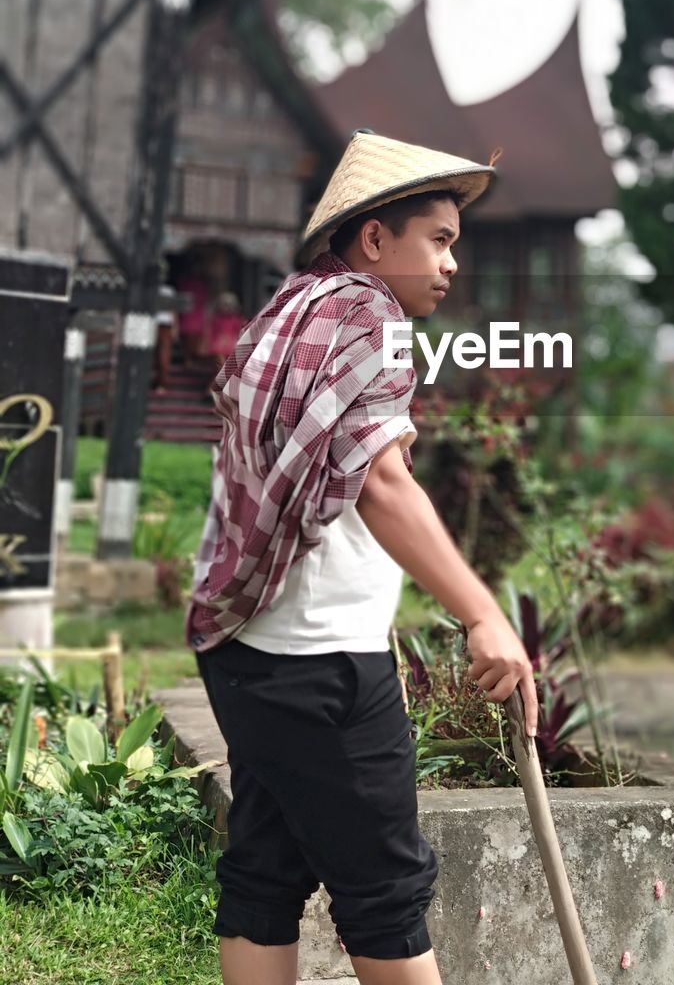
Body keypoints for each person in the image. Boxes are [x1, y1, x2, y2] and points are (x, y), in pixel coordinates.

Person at [186, 129, 537, 985]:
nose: (451, 264)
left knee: (265, 869)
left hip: (244, 648)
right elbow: (382, 483)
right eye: (439, 240)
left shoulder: (294, 306)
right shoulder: (368, 316)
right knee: (385, 891)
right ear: (376, 239)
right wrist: (483, 614)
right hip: (321, 660)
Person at [204, 291, 247, 375]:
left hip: (233, 346)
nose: (226, 308)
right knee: (221, 368)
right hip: (218, 346)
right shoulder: (216, 319)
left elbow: (241, 333)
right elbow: (211, 333)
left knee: (227, 369)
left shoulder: (238, 319)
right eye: (224, 305)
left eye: (229, 305)